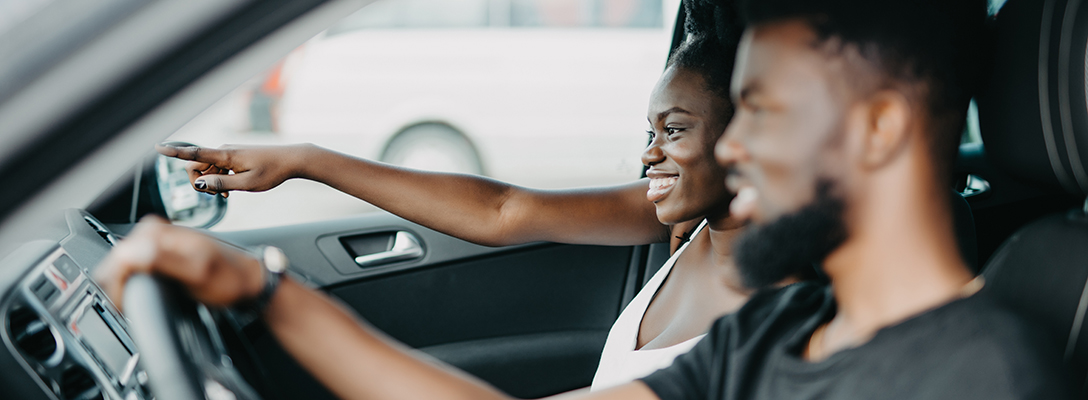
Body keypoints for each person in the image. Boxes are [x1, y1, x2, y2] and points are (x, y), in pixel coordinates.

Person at [97, 0, 1073, 398]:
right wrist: (262, 293)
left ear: (877, 130)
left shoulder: (977, 372)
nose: (729, 148)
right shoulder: (771, 337)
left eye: (760, 112)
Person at [151, 1, 791, 390]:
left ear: (748, 138)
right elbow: (503, 210)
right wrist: (305, 161)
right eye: (648, 131)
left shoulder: (778, 326)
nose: (649, 153)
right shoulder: (682, 223)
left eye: (674, 131)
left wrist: (268, 293)